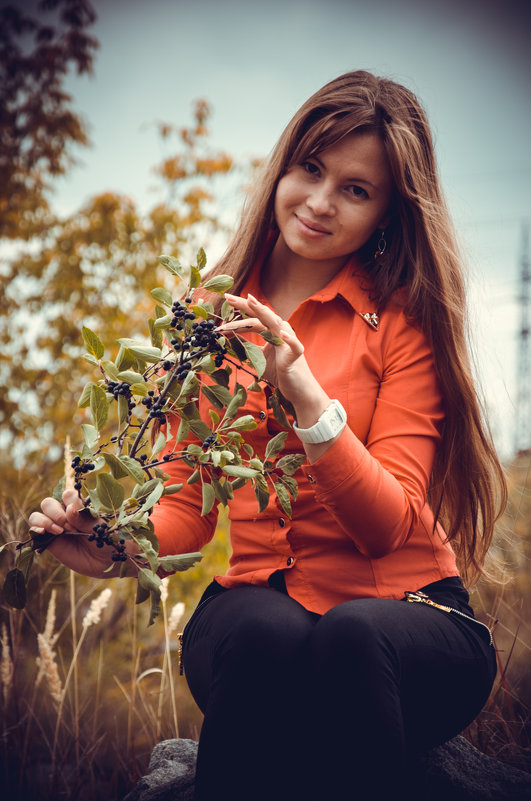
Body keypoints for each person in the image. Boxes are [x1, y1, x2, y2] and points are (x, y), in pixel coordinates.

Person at [30, 70, 506, 800]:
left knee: (350, 635)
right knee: (261, 631)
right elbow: (185, 510)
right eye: (310, 169)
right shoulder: (203, 318)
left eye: (355, 189)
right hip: (260, 607)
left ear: (387, 212)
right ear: (282, 165)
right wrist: (106, 543)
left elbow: (386, 529)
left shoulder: (404, 318)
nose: (319, 202)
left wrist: (305, 393)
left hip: (409, 620)